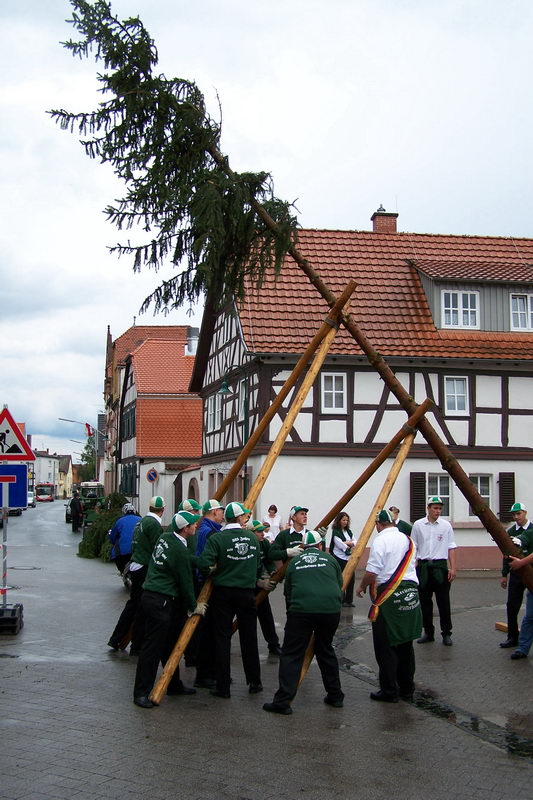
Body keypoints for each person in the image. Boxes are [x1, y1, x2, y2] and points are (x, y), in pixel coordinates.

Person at [263, 530, 344, 715]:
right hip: (330, 611)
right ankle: (336, 695)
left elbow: (289, 592)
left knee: (292, 654)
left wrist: (292, 612)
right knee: (326, 650)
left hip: (301, 612)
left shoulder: (294, 562)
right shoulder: (330, 559)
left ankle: (283, 701)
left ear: (303, 547)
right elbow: (339, 584)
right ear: (320, 545)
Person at [133, 511, 205, 708]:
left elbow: (188, 558)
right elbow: (185, 581)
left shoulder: (166, 538)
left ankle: (174, 684)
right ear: (185, 528)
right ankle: (141, 692)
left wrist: (204, 563)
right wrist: (194, 606)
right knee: (152, 648)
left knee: (169, 644)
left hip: (151, 596)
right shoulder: (178, 550)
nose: (196, 526)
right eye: (193, 524)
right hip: (161, 600)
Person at [356, 509, 422, 703]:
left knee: (386, 646)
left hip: (389, 595)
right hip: (411, 593)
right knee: (405, 644)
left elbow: (372, 571)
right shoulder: (408, 540)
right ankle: (407, 688)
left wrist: (361, 586)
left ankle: (389, 690)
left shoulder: (380, 540)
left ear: (378, 524)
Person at [199, 501, 262, 698]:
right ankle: (254, 682)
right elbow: (258, 563)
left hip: (223, 593)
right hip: (246, 593)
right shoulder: (252, 538)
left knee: (222, 638)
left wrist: (217, 569)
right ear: (240, 517)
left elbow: (204, 564)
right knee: (249, 637)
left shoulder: (218, 538)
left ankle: (223, 685)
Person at [107, 495, 166, 653]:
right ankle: (136, 644)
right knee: (140, 608)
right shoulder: (153, 524)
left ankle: (117, 638)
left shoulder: (142, 522)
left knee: (134, 605)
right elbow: (156, 549)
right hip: (143, 567)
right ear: (163, 510)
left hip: (135, 565)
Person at [411, 496, 457, 646]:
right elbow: (414, 547)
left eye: (439, 508)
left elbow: (451, 547)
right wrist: (413, 568)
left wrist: (453, 567)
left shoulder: (446, 526)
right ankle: (428, 632)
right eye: (435, 508)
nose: (438, 511)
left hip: (440, 566)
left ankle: (446, 633)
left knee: (443, 602)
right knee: (425, 602)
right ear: (428, 508)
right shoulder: (418, 525)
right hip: (423, 567)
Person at [499, 502, 533, 648]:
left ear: (525, 513)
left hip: (531, 571)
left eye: (519, 513)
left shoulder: (532, 529)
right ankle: (512, 637)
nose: (516, 517)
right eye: (514, 514)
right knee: (512, 605)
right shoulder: (511, 531)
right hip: (516, 573)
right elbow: (506, 555)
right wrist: (504, 574)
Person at [249, 520, 281, 656]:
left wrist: (272, 570)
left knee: (266, 615)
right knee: (248, 619)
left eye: (263, 531)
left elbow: (268, 560)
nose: (263, 534)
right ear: (250, 533)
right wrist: (258, 582)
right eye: (259, 531)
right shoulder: (248, 545)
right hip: (247, 586)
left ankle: (273, 644)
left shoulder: (264, 543)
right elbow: (244, 570)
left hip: (259, 584)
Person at [329, 511, 356, 607]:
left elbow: (355, 541)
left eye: (347, 520)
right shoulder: (336, 532)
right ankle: (341, 599)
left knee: (351, 579)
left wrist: (348, 543)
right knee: (340, 579)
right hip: (339, 557)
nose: (345, 522)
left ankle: (349, 600)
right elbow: (340, 544)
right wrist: (348, 543)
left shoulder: (348, 531)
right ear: (339, 520)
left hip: (348, 558)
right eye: (343, 520)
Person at [108, 503, 141, 575]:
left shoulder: (120, 521)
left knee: (116, 555)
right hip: (138, 551)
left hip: (123, 553)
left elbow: (113, 537)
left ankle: (123, 572)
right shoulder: (141, 520)